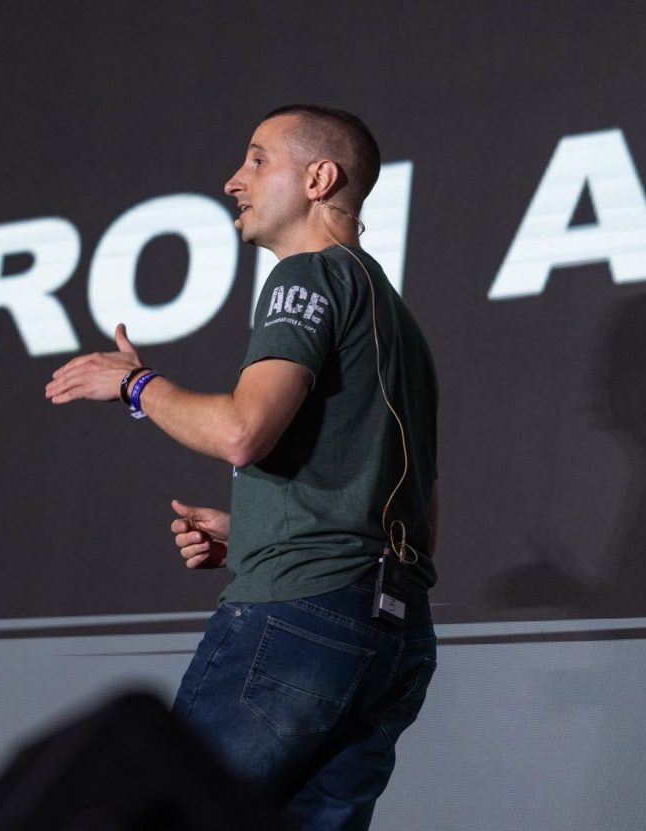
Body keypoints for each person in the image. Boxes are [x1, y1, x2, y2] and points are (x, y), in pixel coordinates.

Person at [45, 104, 439, 831]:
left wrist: (133, 384)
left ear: (320, 179)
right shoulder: (398, 318)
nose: (234, 180)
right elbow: (412, 505)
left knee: (171, 818)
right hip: (392, 633)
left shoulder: (307, 277)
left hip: (299, 621)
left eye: (258, 159)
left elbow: (241, 433)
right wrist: (257, 529)